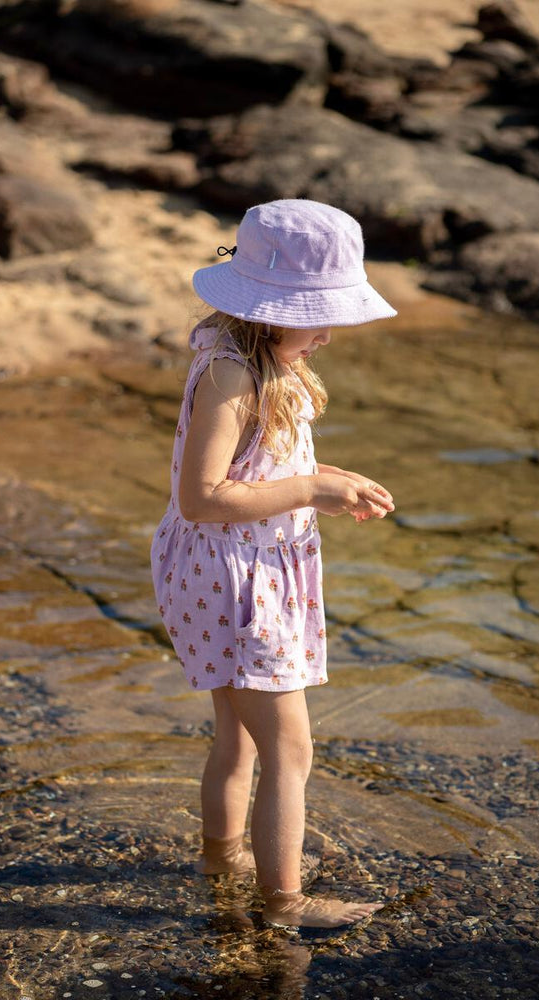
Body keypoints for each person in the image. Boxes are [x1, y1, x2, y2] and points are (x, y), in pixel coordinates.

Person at [151, 199, 397, 928]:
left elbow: (258, 468)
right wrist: (311, 489)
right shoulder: (231, 377)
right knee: (290, 749)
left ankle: (222, 859)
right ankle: (283, 905)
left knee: (237, 736)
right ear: (266, 310)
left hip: (225, 576)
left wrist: (327, 484)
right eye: (317, 317)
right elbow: (202, 496)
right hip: (236, 584)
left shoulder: (255, 359)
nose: (326, 335)